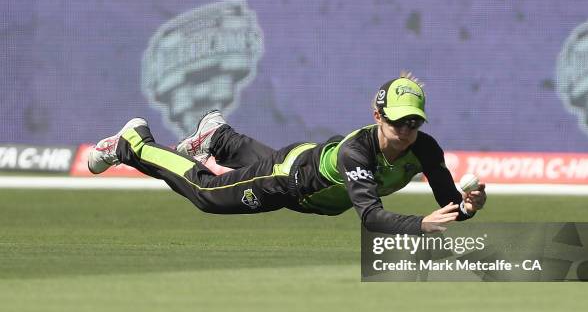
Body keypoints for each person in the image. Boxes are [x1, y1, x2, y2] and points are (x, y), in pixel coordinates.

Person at [88, 72, 486, 234]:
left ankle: (219, 137)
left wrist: (466, 207)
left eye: (413, 123)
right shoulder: (357, 153)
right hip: (289, 181)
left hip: (312, 171)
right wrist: (418, 225)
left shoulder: (426, 149)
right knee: (208, 194)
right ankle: (134, 143)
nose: (405, 132)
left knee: (248, 166)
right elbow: (370, 216)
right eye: (397, 122)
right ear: (377, 115)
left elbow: (448, 204)